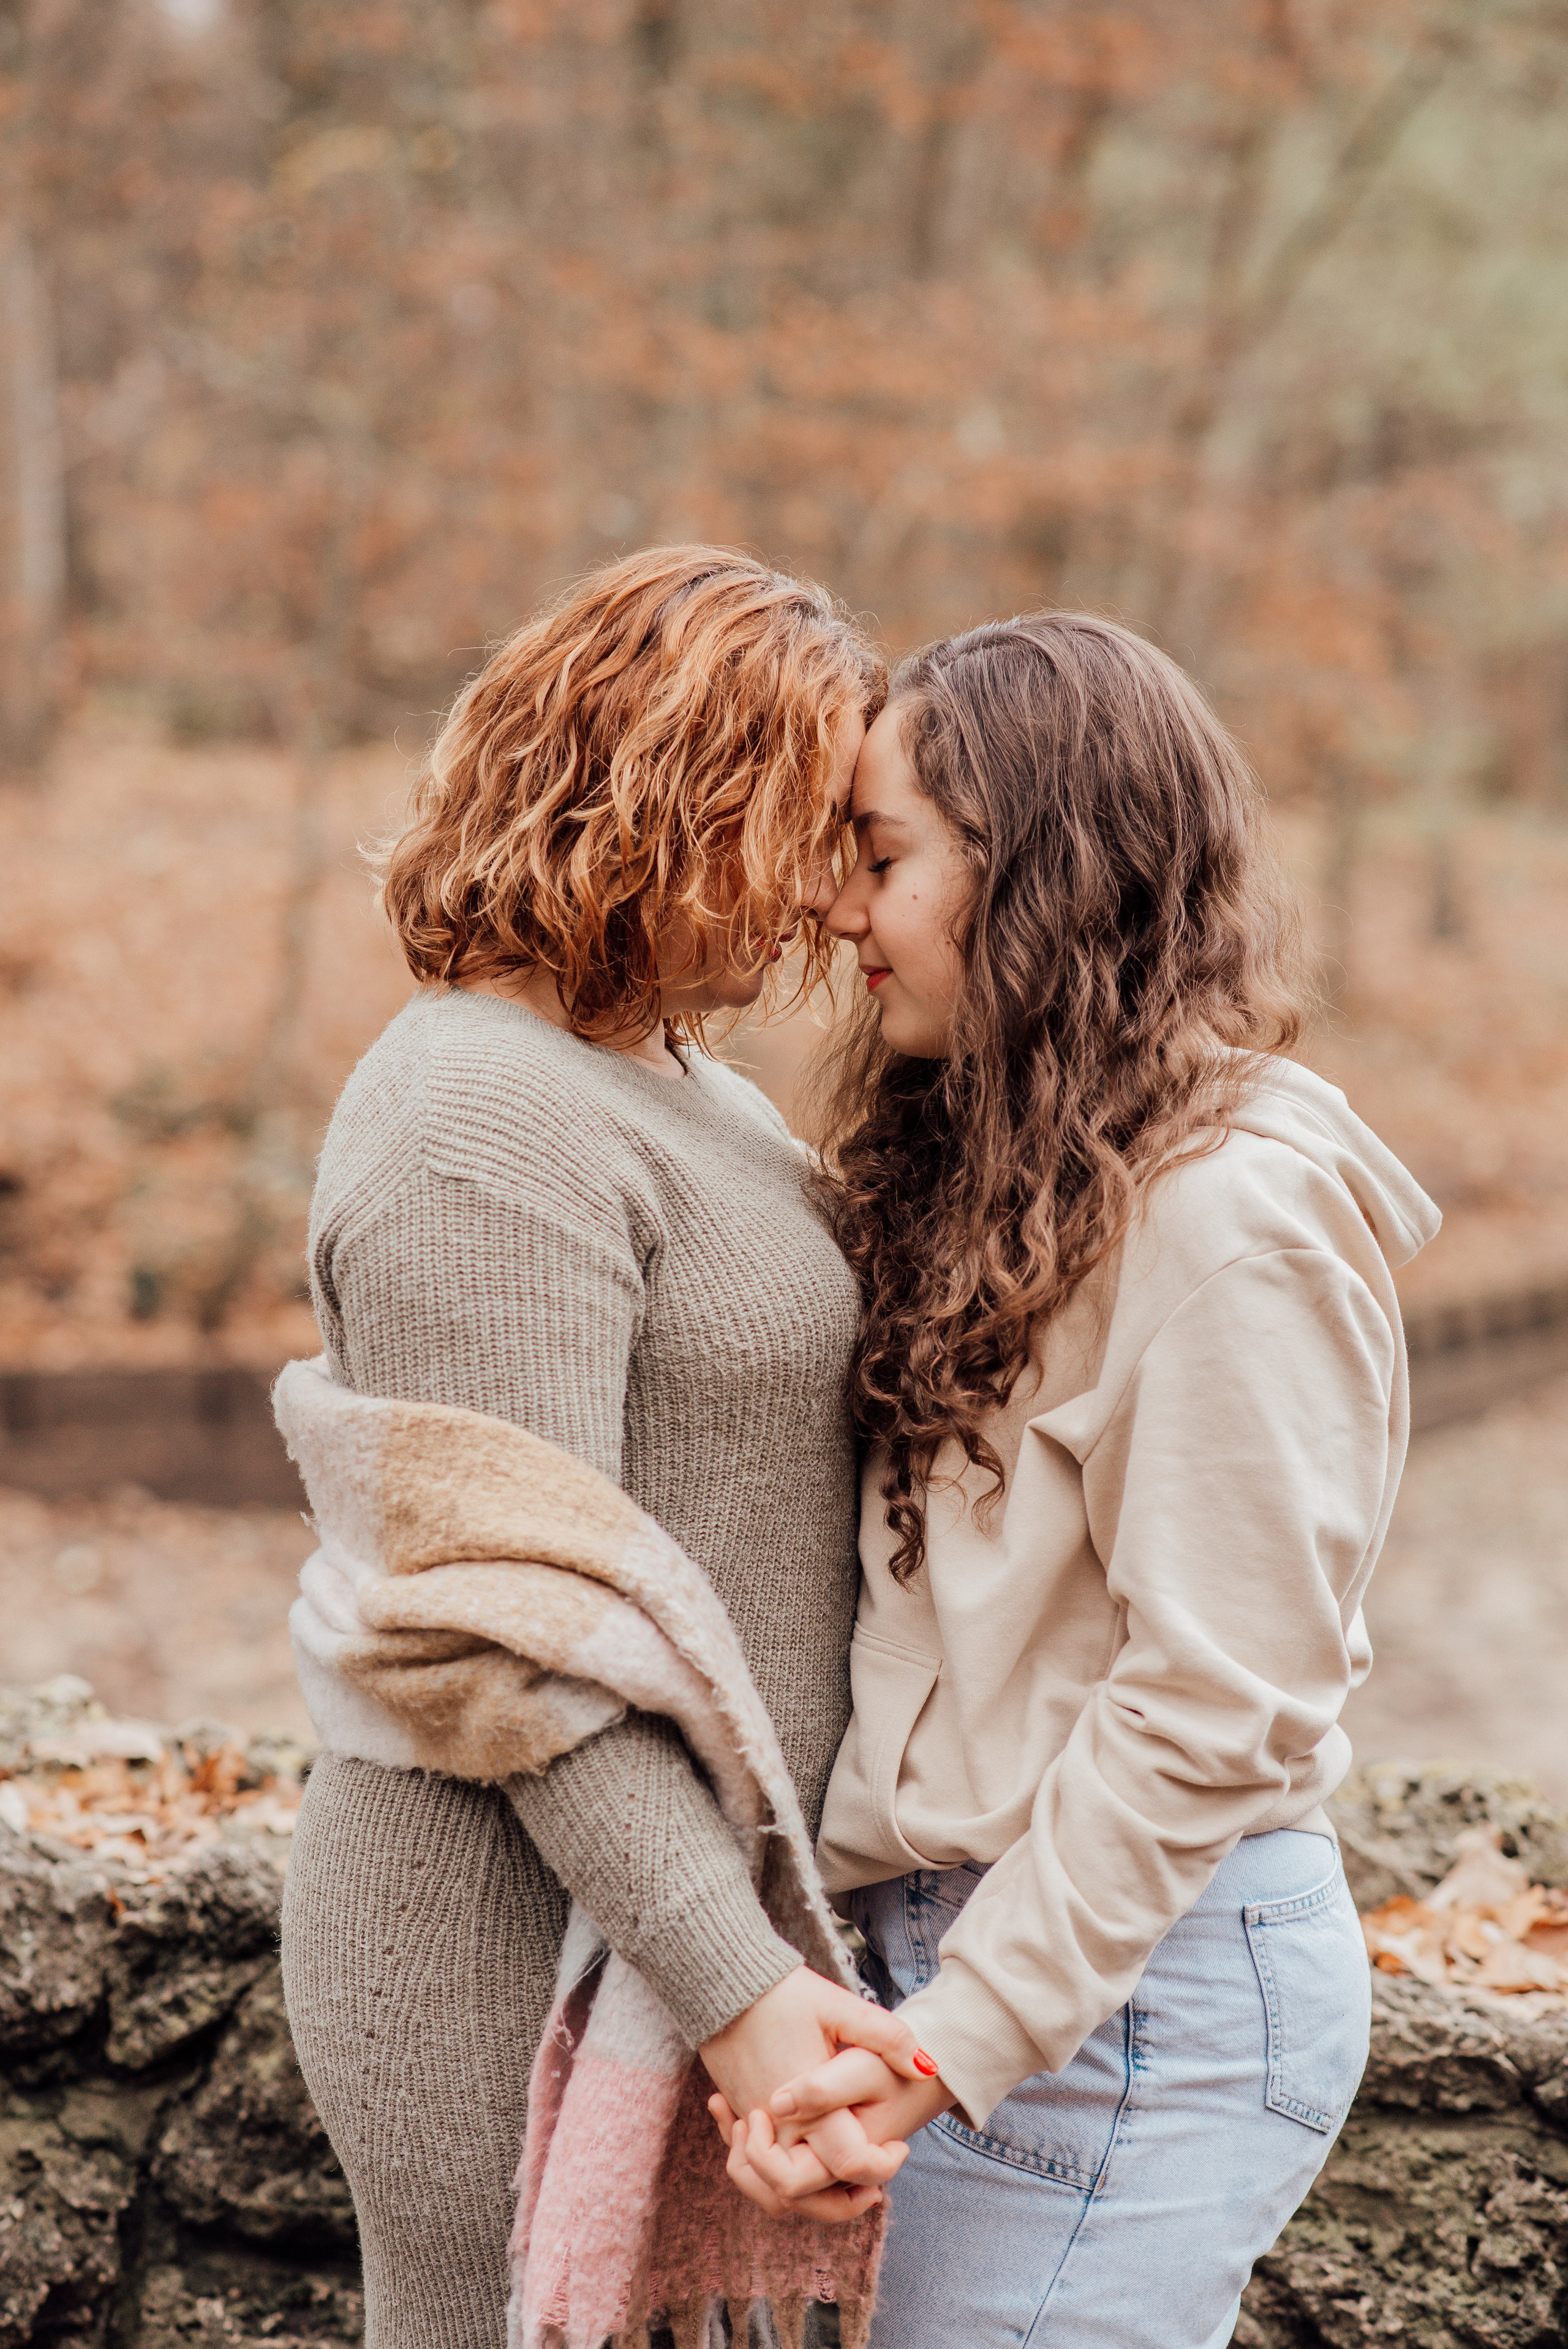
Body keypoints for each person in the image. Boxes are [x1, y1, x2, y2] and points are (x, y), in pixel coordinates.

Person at [714, 612, 1441, 2347]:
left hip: (1128, 2004)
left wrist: (958, 2037)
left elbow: (1215, 1702)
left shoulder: (1232, 1217)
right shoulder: (1007, 1165)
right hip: (983, 1967)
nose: (836, 912)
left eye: (880, 857)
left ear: (1034, 871)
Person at [280, 546, 914, 2349]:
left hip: (667, 1917)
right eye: (801, 828)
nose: (826, 894)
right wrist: (737, 1987)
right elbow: (518, 1635)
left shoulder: (684, 1084)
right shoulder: (476, 1116)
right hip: (501, 1942)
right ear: (662, 793)